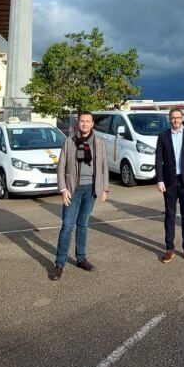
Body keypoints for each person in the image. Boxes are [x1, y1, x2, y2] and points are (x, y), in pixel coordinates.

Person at [50, 111, 109, 280]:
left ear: (92, 124)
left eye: (88, 121)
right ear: (78, 123)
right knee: (67, 226)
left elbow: (104, 166)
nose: (84, 124)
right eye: (82, 121)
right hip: (72, 189)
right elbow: (60, 167)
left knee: (83, 224)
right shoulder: (69, 142)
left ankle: (81, 258)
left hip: (91, 189)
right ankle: (59, 264)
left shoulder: (99, 143)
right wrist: (63, 189)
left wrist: (104, 189)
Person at [154, 108, 184, 263]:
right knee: (169, 215)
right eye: (173, 118)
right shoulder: (163, 137)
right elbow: (158, 160)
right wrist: (160, 180)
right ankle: (169, 248)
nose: (176, 120)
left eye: (178, 117)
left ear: (182, 118)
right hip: (169, 182)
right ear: (169, 119)